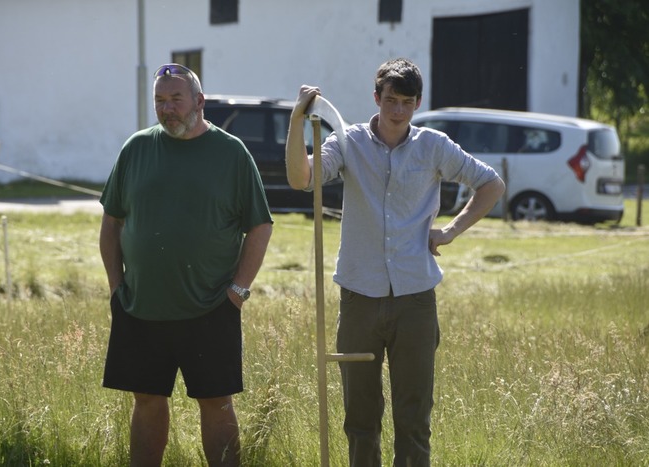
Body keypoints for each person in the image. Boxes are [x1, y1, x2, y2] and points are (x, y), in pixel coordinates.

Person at [285, 58, 505, 466]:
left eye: (407, 102)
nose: (398, 110)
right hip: (359, 297)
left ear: (418, 103)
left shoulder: (433, 145)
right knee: (360, 418)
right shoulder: (348, 141)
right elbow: (302, 178)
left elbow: (491, 184)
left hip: (415, 298)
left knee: (414, 417)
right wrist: (297, 120)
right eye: (391, 100)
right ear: (376, 98)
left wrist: (450, 230)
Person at [99, 63, 273, 467]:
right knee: (146, 400)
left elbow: (260, 226)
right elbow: (111, 223)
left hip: (211, 307)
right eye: (160, 100)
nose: (167, 108)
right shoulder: (136, 148)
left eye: (176, 99)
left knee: (216, 402)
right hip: (141, 306)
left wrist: (237, 292)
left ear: (199, 101)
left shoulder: (231, 153)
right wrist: (116, 288)